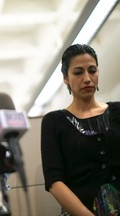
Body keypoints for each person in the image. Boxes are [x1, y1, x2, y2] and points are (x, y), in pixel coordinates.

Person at [41, 43, 120, 215]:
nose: (87, 78)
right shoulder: (54, 121)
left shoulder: (117, 111)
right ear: (66, 78)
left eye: (92, 70)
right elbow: (54, 181)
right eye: (78, 72)